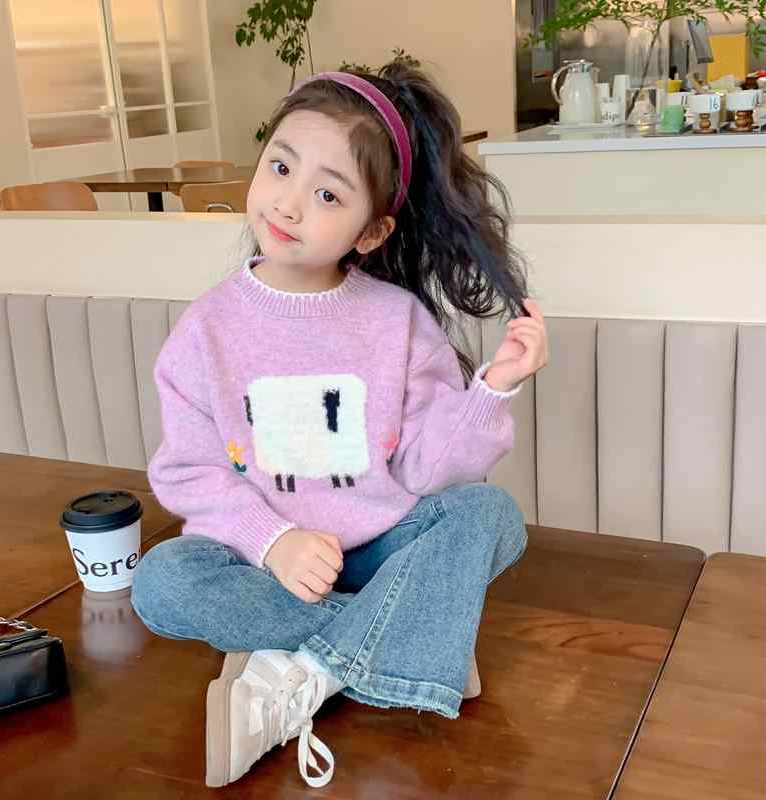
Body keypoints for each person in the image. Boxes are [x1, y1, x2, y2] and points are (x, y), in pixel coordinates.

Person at [131, 60, 548, 789]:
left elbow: (427, 471)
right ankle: (409, 633)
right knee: (162, 581)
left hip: (380, 551)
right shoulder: (207, 330)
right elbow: (189, 472)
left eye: (328, 194)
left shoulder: (397, 322)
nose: (289, 204)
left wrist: (493, 389)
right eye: (280, 167)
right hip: (264, 567)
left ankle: (311, 672)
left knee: (491, 516)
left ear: (371, 231)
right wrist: (274, 542)